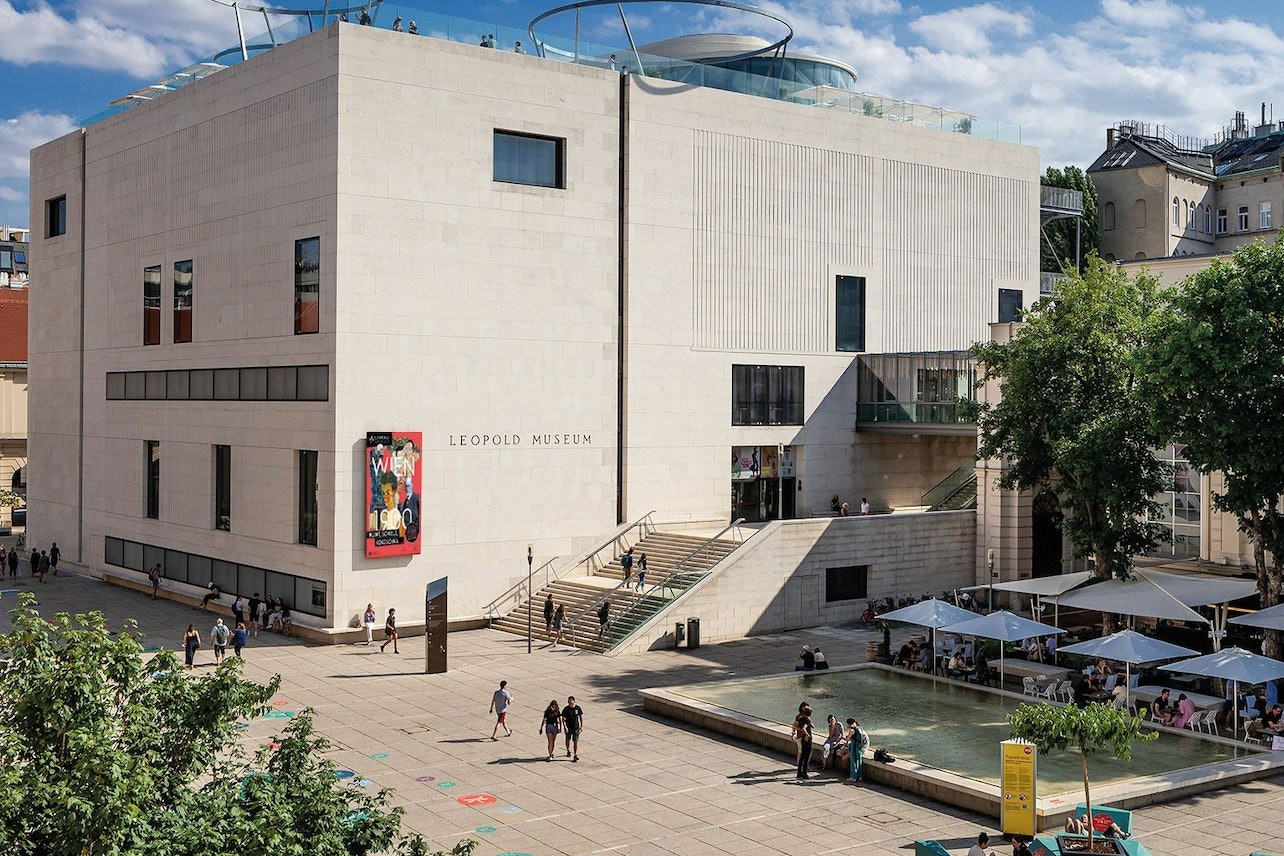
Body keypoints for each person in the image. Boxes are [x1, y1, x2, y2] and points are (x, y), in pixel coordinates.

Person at [791, 702, 813, 779]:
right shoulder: (807, 719)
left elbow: (796, 725)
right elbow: (804, 728)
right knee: (807, 757)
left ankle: (799, 773)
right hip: (807, 740)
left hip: (802, 739)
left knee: (802, 756)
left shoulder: (801, 718)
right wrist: (808, 735)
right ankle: (805, 774)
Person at [561, 695, 584, 762]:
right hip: (568, 727)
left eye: (571, 700)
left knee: (575, 741)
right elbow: (563, 719)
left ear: (574, 701)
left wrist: (581, 726)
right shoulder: (566, 709)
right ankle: (568, 750)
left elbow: (581, 717)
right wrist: (565, 727)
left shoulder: (577, 708)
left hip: (576, 727)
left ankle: (575, 754)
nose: (570, 702)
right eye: (569, 701)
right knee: (568, 740)